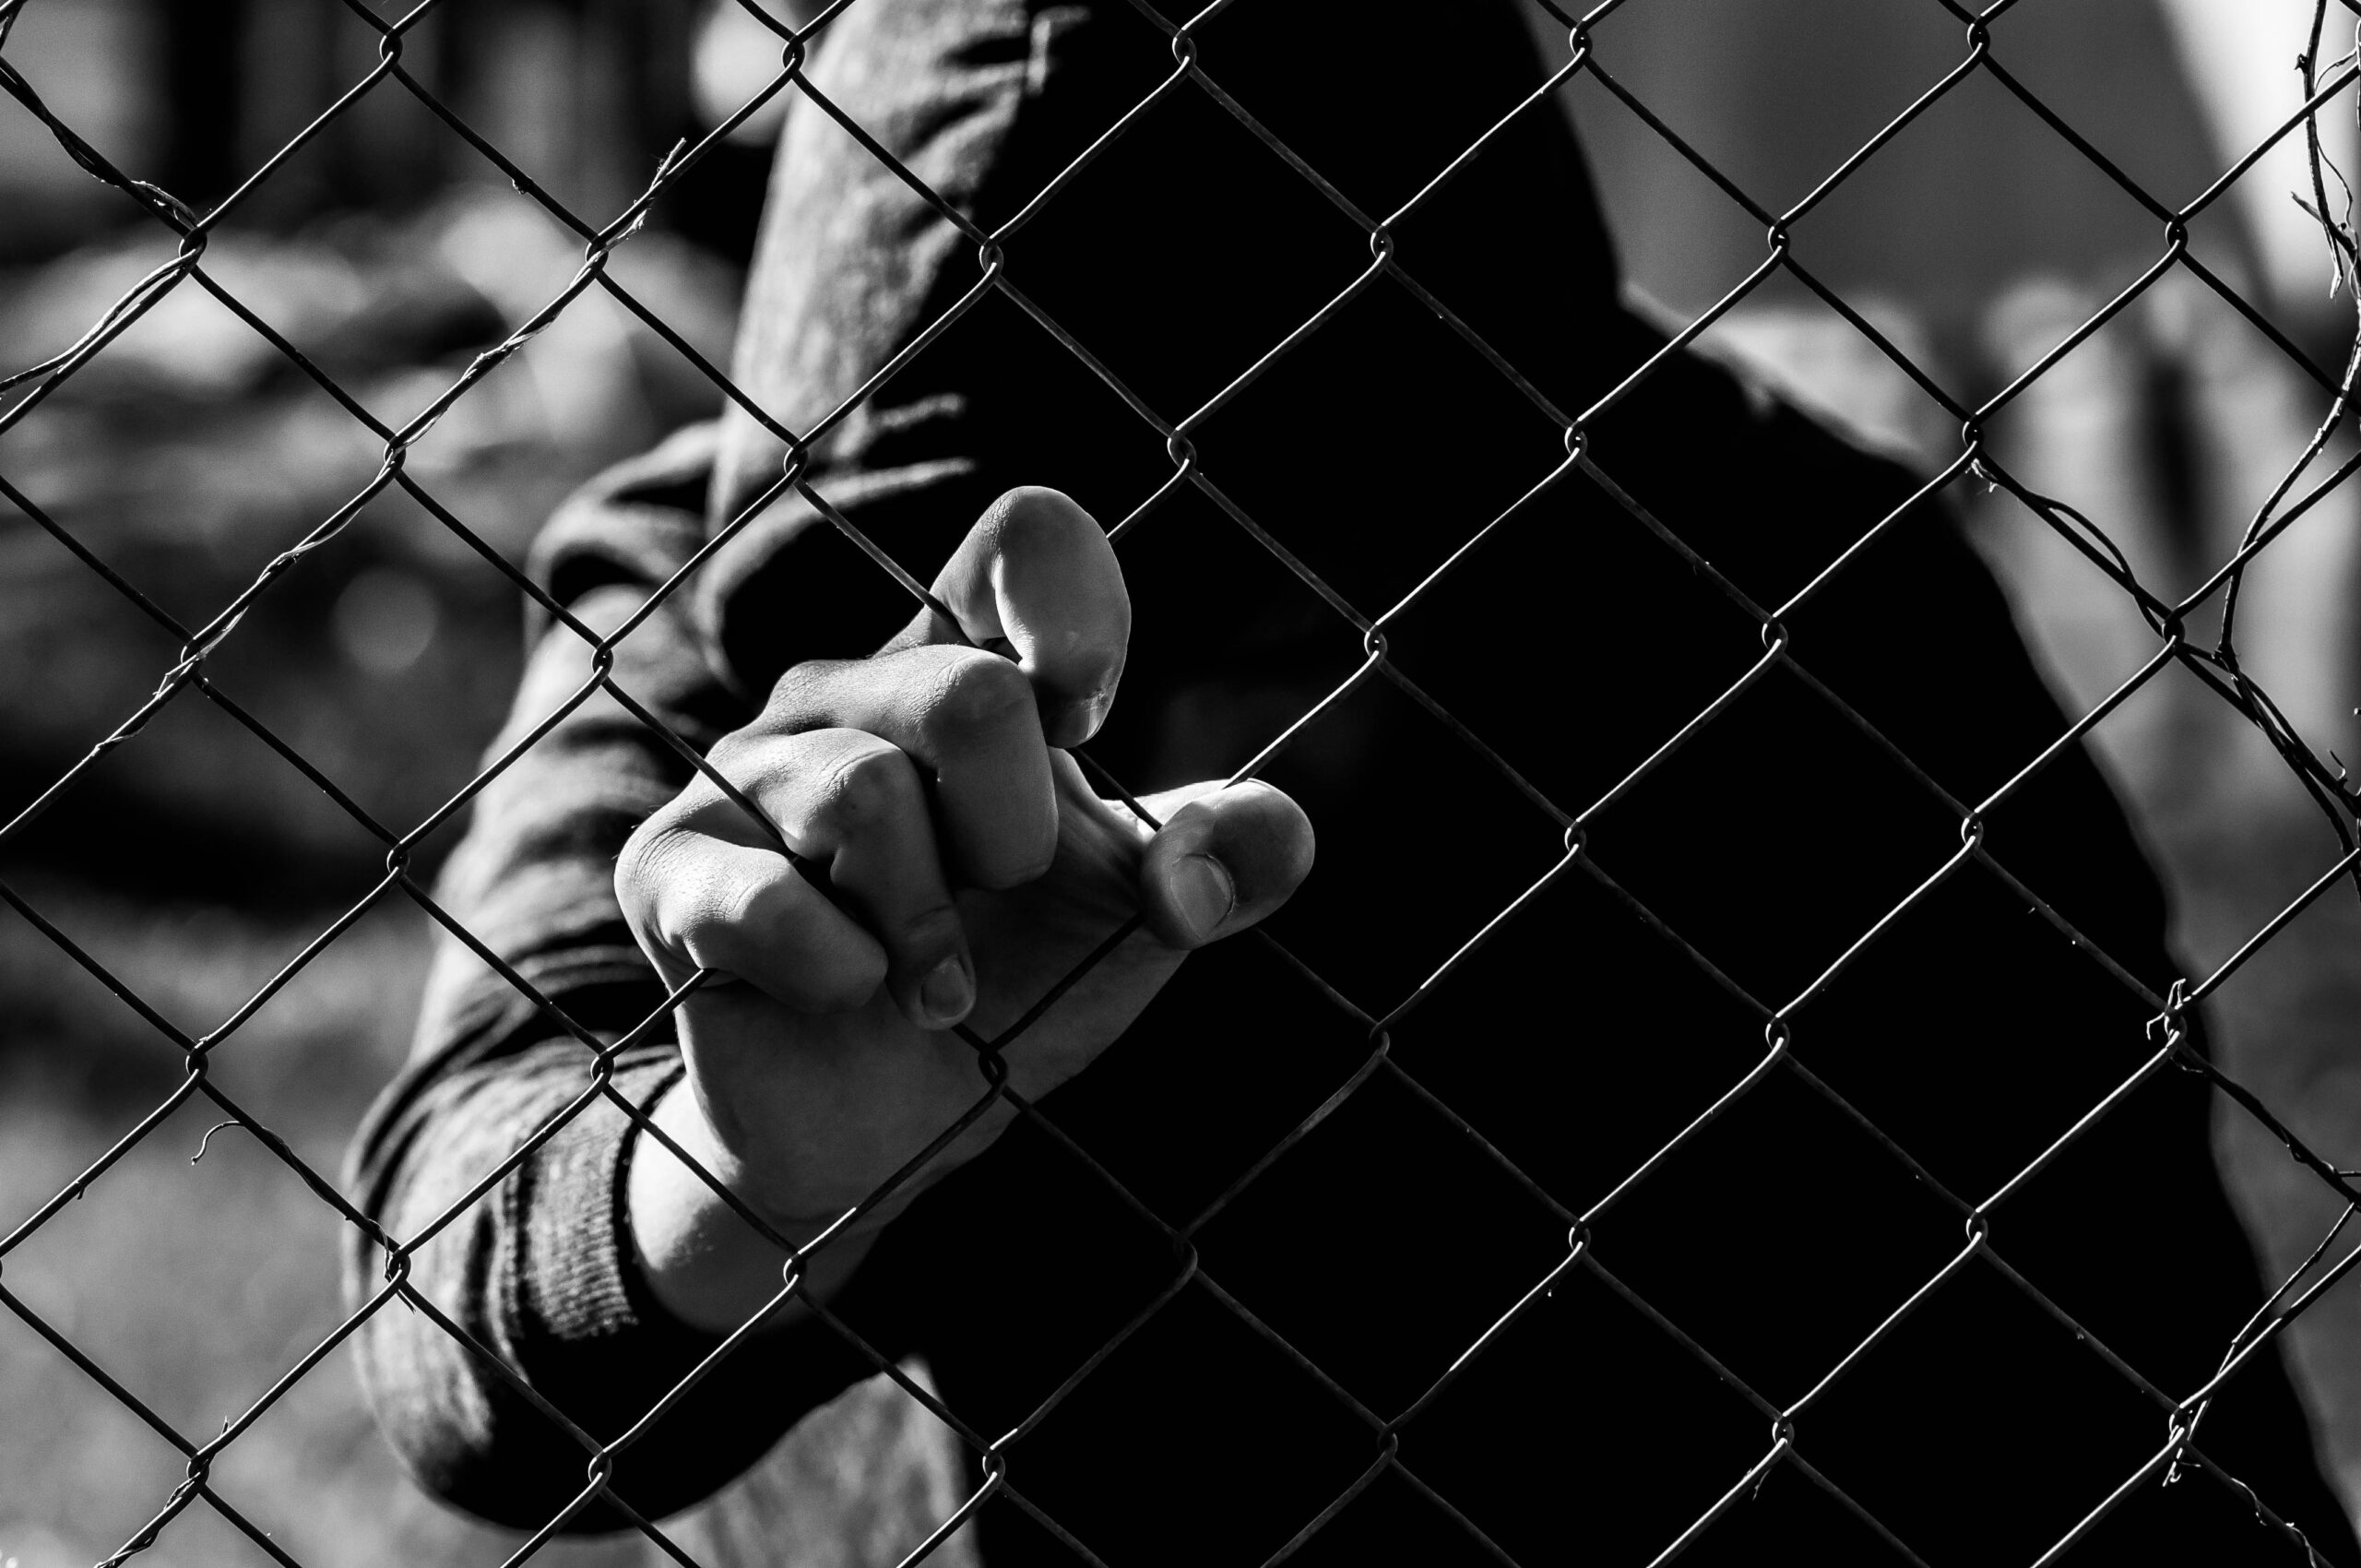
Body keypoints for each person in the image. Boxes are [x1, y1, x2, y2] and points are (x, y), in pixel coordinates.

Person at [345, 0, 2361, 1562]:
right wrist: (741, 1172)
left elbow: (2155, 1432)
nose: (1126, 781)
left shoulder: (1796, 610)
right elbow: (457, 1334)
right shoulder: (702, 602)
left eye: (1269, 627)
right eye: (971, 635)